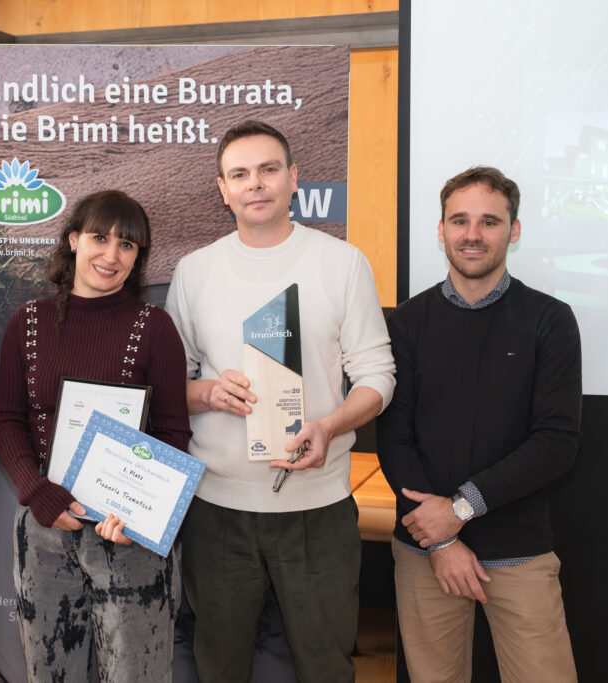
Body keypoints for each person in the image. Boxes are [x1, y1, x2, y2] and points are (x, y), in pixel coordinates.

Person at [164, 120, 396, 682]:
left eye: (268, 169)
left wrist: (331, 426)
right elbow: (169, 387)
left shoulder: (342, 262)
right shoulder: (194, 271)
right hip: (216, 511)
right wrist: (208, 393)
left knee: (325, 666)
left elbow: (377, 376)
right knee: (219, 667)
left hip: (318, 510)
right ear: (223, 189)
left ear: (293, 178)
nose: (256, 183)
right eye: (240, 174)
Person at [377, 166, 582, 683]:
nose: (473, 234)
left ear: (514, 230)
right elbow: (395, 439)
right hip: (426, 550)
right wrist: (441, 540)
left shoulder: (550, 320)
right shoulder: (407, 322)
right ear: (440, 229)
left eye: (489, 222)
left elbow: (556, 442)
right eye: (460, 220)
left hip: (519, 550)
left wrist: (460, 510)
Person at [0, 190, 191, 682]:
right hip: (45, 528)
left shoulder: (155, 328)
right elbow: (8, 420)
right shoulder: (27, 323)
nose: (111, 255)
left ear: (138, 257)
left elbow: (172, 432)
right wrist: (38, 493)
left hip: (128, 537)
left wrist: (139, 512)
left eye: (127, 245)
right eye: (100, 238)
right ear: (74, 240)